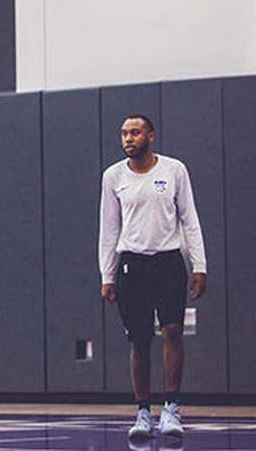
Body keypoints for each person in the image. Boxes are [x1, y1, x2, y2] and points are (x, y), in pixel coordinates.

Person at [99, 115, 207, 441]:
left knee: (173, 331)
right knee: (139, 340)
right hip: (132, 265)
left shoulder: (174, 170)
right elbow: (109, 227)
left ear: (150, 136)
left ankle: (172, 407)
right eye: (124, 133)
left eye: (135, 132)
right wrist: (107, 273)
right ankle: (143, 412)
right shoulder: (113, 177)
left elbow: (190, 219)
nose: (128, 138)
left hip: (169, 262)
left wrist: (199, 265)